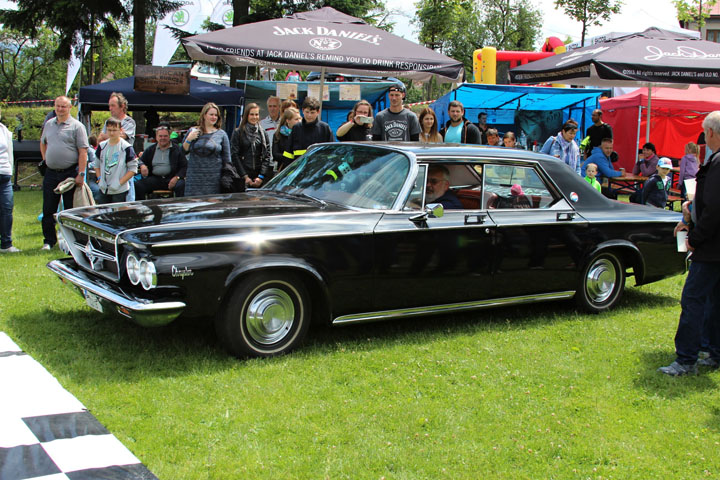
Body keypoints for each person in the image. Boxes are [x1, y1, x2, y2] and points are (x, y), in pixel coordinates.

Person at [659, 110, 720, 376]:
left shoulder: (717, 163)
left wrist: (695, 237)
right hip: (713, 244)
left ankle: (686, 359)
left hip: (711, 246)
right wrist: (690, 211)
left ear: (711, 133)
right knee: (714, 300)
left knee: (693, 298)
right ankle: (714, 352)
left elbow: (714, 208)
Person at [39, 96, 89, 250]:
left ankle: (71, 241)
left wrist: (81, 174)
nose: (60, 109)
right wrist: (46, 159)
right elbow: (43, 143)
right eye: (58, 106)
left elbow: (83, 152)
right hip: (51, 173)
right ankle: (49, 241)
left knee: (69, 210)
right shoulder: (49, 124)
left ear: (70, 108)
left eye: (63, 106)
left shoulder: (77, 127)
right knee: (48, 208)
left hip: (70, 173)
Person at [182, 102, 231, 196]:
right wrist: (189, 139)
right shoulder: (193, 131)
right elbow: (182, 152)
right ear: (204, 115)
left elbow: (227, 160)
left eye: (216, 115)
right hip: (194, 178)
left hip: (214, 178)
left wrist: (226, 177)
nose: (214, 117)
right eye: (211, 114)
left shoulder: (222, 134)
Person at [134, 123, 187, 200]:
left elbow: (184, 166)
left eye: (165, 136)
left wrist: (177, 177)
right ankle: (142, 206)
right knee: (138, 185)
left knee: (182, 185)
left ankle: (180, 205)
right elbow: (140, 160)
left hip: (172, 178)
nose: (163, 138)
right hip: (155, 178)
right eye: (160, 136)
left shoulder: (177, 149)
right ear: (156, 137)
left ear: (169, 136)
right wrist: (142, 165)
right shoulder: (151, 149)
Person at [94, 117, 138, 204]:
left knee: (120, 212)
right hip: (103, 189)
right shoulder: (102, 146)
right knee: (103, 211)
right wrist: (100, 179)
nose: (111, 133)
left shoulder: (127, 147)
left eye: (114, 130)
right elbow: (96, 165)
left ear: (120, 130)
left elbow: (133, 169)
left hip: (120, 190)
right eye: (109, 130)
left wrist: (119, 183)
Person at [231, 102, 272, 188]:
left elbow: (267, 155)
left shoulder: (263, 133)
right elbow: (234, 155)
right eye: (251, 114)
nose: (254, 117)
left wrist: (261, 176)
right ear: (247, 115)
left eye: (256, 114)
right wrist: (245, 176)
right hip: (242, 175)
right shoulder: (238, 132)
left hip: (259, 176)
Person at [284, 96, 333, 162]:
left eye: (312, 112)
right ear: (303, 110)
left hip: (319, 167)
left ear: (318, 112)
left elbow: (332, 153)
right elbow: (288, 155)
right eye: (307, 112)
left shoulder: (324, 128)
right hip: (300, 167)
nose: (309, 115)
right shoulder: (296, 128)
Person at [0, 106, 19, 252]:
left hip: (5, 176)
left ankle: (6, 244)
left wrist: (10, 170)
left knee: (7, 209)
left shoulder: (3, 130)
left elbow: (10, 152)